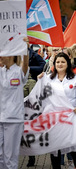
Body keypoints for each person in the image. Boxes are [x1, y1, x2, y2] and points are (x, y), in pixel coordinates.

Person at [40, 52, 76, 169]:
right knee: (55, 147)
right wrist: (39, 80)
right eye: (57, 62)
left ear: (68, 63)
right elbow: (43, 97)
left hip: (71, 117)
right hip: (55, 118)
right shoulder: (48, 79)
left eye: (63, 62)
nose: (60, 64)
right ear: (54, 64)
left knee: (74, 145)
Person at [0, 37, 29, 169]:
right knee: (0, 155)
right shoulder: (1, 71)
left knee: (10, 155)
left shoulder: (18, 71)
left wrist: (25, 48)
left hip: (14, 119)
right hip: (1, 117)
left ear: (10, 54)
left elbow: (25, 64)